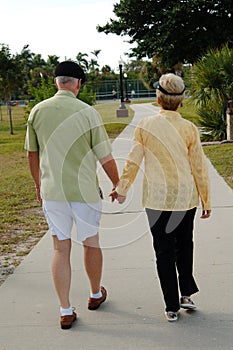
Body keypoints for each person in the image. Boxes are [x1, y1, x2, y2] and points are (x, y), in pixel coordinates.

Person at [25, 61, 119, 329]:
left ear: (56, 82)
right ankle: (94, 293)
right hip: (84, 192)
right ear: (78, 84)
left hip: (53, 191)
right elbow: (105, 156)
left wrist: (38, 185)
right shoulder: (87, 113)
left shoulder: (37, 112)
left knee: (60, 247)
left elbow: (32, 153)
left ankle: (65, 309)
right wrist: (118, 184)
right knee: (91, 242)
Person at [110, 73, 211, 322]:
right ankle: (186, 293)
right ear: (181, 100)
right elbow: (198, 166)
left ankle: (171, 306)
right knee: (185, 245)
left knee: (163, 251)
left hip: (157, 200)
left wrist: (122, 188)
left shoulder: (145, 127)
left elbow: (133, 159)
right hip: (185, 198)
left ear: (158, 98)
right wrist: (206, 200)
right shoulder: (189, 128)